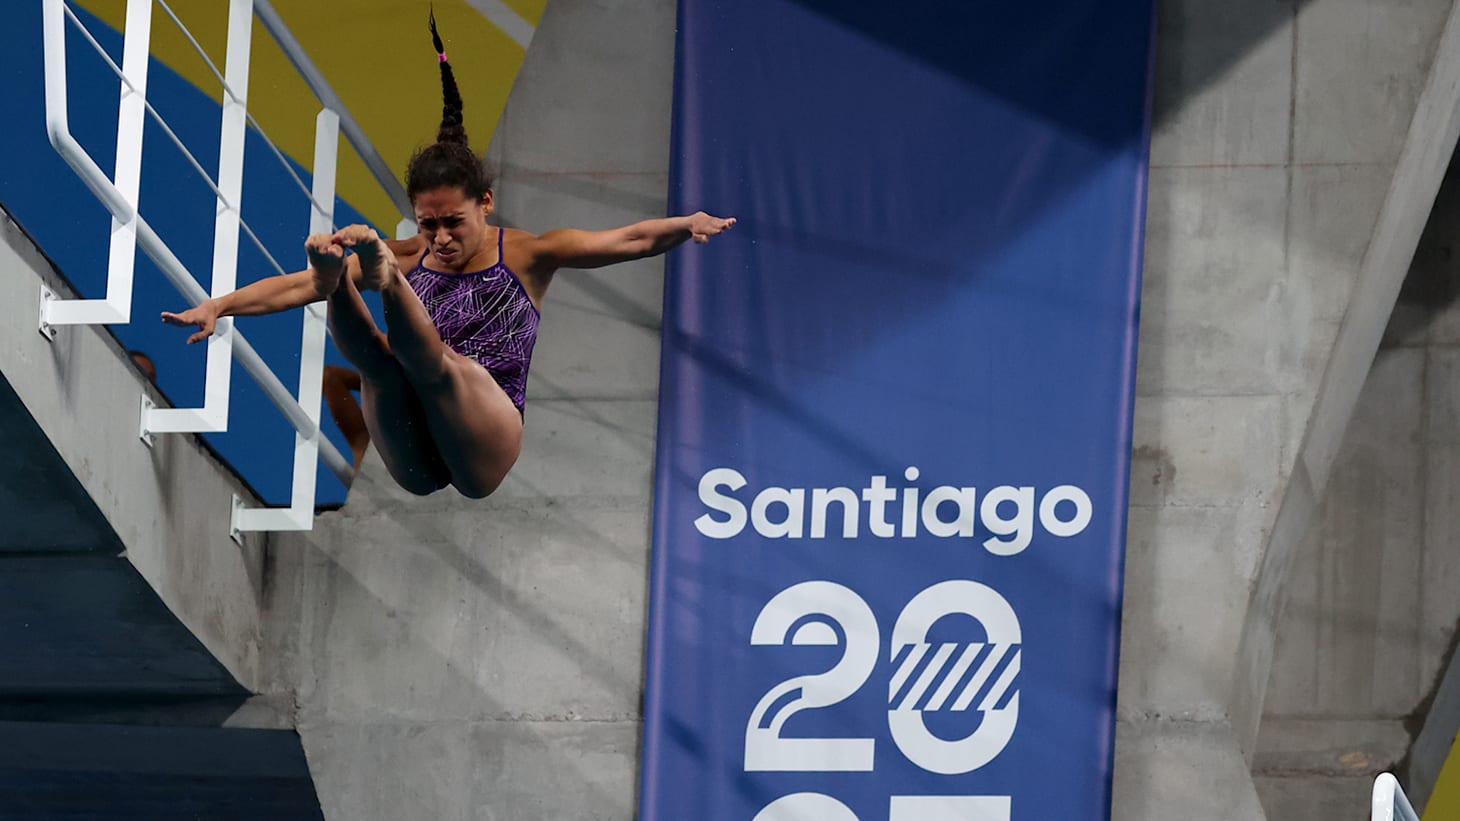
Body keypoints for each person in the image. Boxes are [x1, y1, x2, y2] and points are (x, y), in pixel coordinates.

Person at [162, 14, 734, 499]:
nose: (439, 238)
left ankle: (385, 285)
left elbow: (628, 239)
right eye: (428, 224)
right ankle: (344, 281)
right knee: (376, 359)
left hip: (485, 441)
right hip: (415, 452)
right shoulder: (414, 252)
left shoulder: (529, 253)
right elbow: (294, 288)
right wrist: (219, 305)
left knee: (442, 365)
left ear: (486, 202)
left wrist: (685, 225)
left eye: (453, 222)